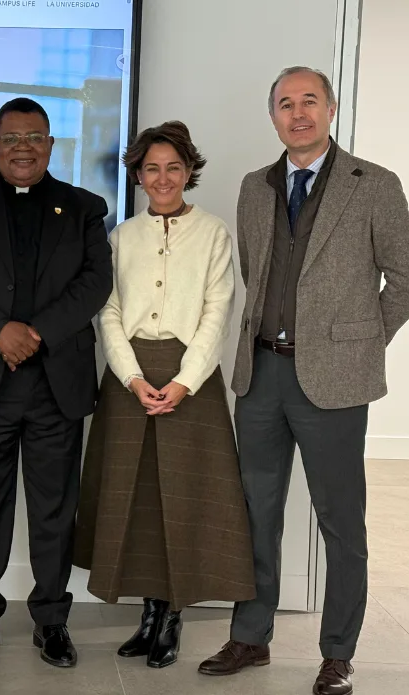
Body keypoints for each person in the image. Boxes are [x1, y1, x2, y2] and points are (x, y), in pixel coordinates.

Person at [198, 67, 409, 695]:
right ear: (272, 115)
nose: (297, 114)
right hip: (260, 374)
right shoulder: (255, 186)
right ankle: (250, 636)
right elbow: (256, 270)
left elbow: (407, 281)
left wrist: (356, 346)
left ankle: (338, 653)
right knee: (255, 513)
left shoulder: (374, 185)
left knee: (341, 523)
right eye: (285, 104)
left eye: (309, 101)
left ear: (330, 109)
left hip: (335, 382)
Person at [72, 121, 255, 669]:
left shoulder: (214, 233)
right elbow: (107, 311)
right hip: (128, 379)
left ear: (189, 171)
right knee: (138, 500)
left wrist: (184, 380)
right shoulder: (121, 236)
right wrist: (131, 377)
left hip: (190, 381)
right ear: (138, 175)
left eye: (174, 167)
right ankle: (148, 616)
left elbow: (218, 312)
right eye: (152, 168)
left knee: (184, 497)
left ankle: (173, 615)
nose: (163, 178)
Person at [0, 97, 112, 668]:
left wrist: (36, 334)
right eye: (11, 137)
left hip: (55, 381)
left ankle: (52, 621)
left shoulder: (84, 207)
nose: (22, 148)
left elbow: (95, 283)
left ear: (51, 145)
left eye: (34, 137)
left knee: (54, 508)